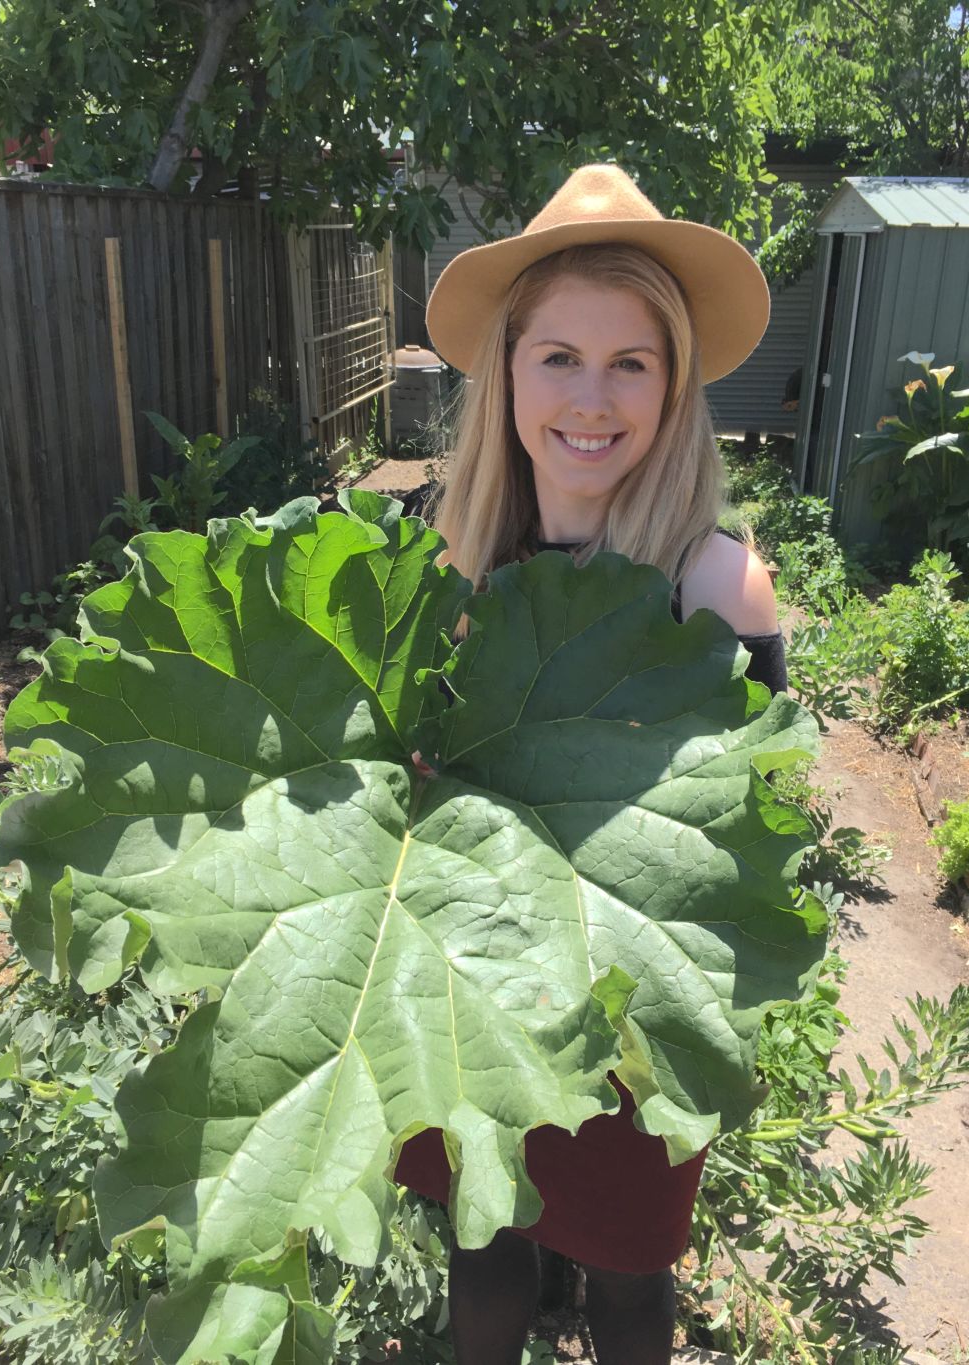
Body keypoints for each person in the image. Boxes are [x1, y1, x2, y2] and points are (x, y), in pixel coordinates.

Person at [394, 163, 786, 1365]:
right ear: (506, 372)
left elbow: (742, 840)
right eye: (557, 356)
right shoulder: (431, 556)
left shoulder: (717, 589)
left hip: (630, 1009)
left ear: (672, 390)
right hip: (468, 981)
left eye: (631, 363)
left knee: (626, 1282)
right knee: (486, 1251)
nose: (591, 398)